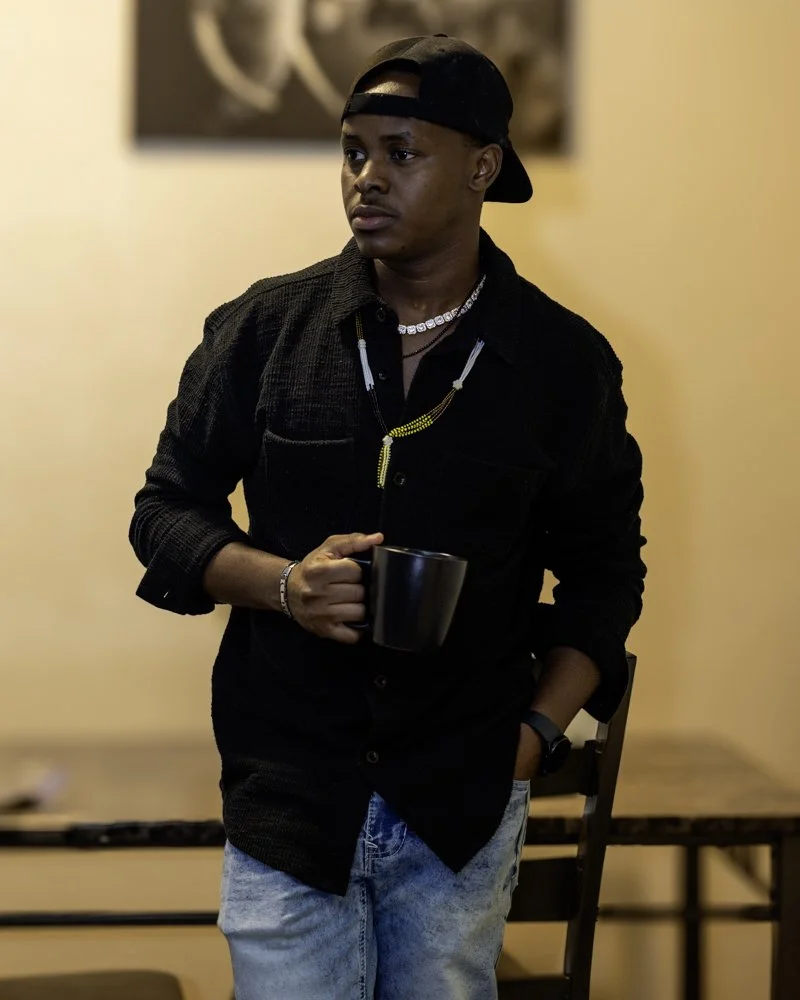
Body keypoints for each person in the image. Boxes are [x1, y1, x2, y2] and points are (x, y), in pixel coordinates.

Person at [129, 34, 646, 1000]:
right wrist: (283, 586)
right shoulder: (262, 330)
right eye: (353, 150)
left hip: (460, 801)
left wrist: (533, 735)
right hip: (288, 793)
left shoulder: (562, 364)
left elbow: (606, 577)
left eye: (402, 153)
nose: (366, 178)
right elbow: (164, 511)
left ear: (482, 167)